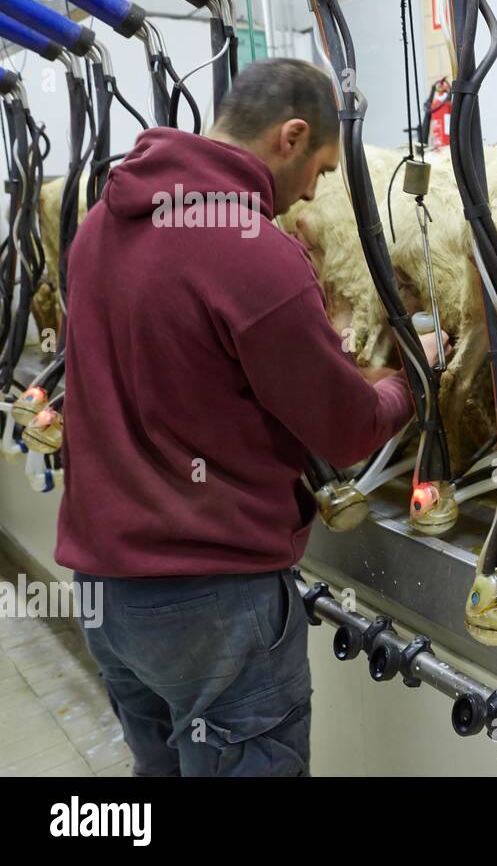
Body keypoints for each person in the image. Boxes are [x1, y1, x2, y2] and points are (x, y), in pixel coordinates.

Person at [55, 58, 432, 776]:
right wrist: (407, 383)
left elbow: (178, 375)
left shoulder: (99, 227)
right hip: (215, 605)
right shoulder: (254, 251)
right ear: (291, 136)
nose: (312, 194)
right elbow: (344, 430)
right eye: (320, 168)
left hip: (107, 597)